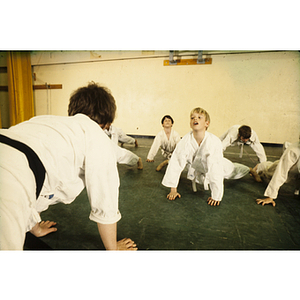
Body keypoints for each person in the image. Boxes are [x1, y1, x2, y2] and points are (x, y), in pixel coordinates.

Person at [0, 82, 137, 250]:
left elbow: (40, 185)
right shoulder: (96, 135)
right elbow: (105, 197)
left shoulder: (46, 121)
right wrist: (113, 249)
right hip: (11, 175)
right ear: (106, 124)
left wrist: (35, 226)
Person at [162, 107, 250, 206]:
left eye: (199, 117)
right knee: (177, 162)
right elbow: (176, 163)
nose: (195, 119)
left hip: (221, 165)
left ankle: (251, 170)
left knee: (236, 170)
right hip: (197, 167)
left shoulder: (214, 141)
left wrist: (216, 195)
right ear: (190, 124)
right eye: (192, 118)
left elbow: (215, 170)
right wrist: (173, 189)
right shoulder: (185, 141)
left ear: (206, 123)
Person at [256, 141, 300, 207]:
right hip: (287, 168)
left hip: (296, 172)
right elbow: (280, 172)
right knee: (268, 171)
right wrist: (270, 196)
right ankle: (260, 166)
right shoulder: (293, 151)